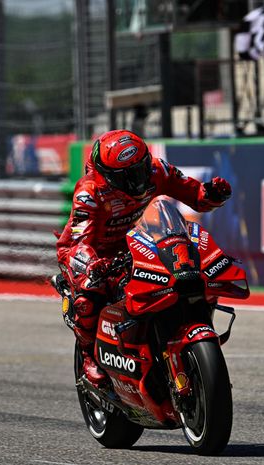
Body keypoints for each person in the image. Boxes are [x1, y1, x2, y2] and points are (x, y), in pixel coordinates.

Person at [55, 129, 231, 385]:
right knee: (89, 291)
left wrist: (212, 194)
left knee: (180, 272)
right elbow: (79, 240)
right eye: (127, 175)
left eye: (140, 169)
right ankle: (87, 356)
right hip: (87, 253)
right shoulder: (89, 192)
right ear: (108, 175)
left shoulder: (158, 171)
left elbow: (195, 195)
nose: (138, 179)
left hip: (132, 244)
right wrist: (92, 263)